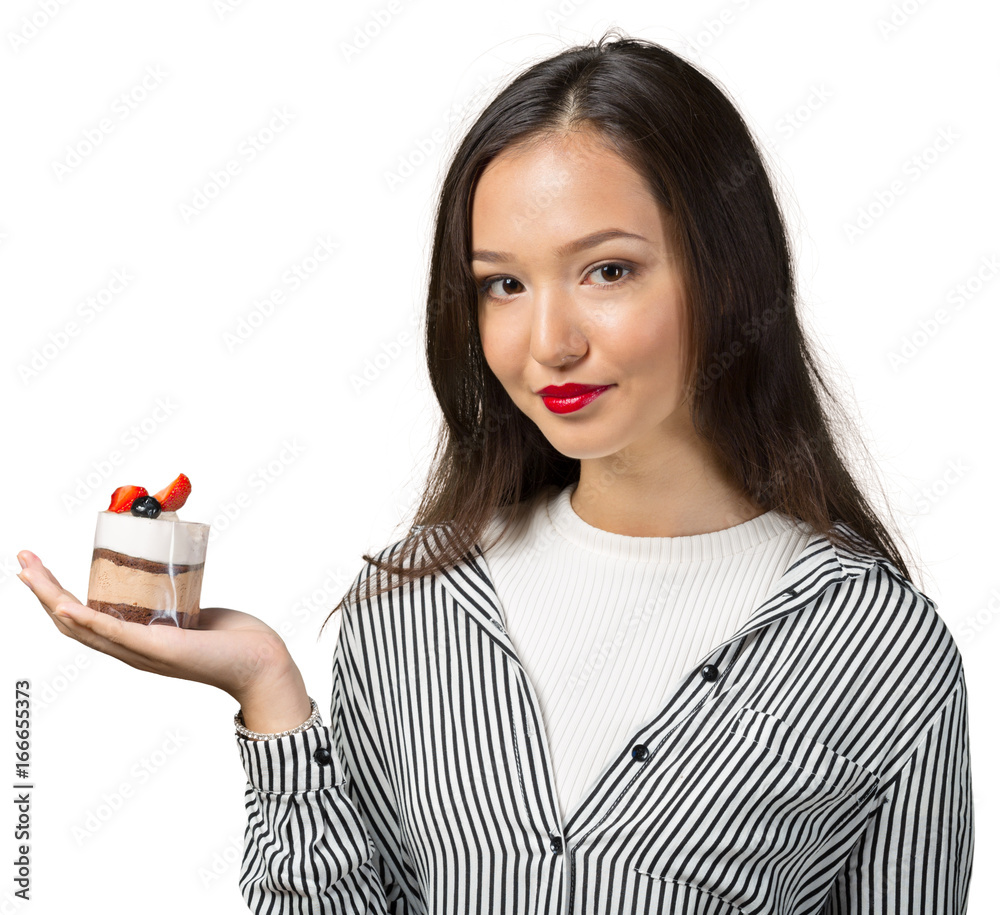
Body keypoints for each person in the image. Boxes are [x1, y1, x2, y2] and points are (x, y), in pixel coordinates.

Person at [18, 29, 973, 914]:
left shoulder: (882, 647)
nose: (548, 342)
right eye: (503, 285)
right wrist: (269, 690)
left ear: (727, 272)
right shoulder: (414, 600)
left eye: (608, 270)